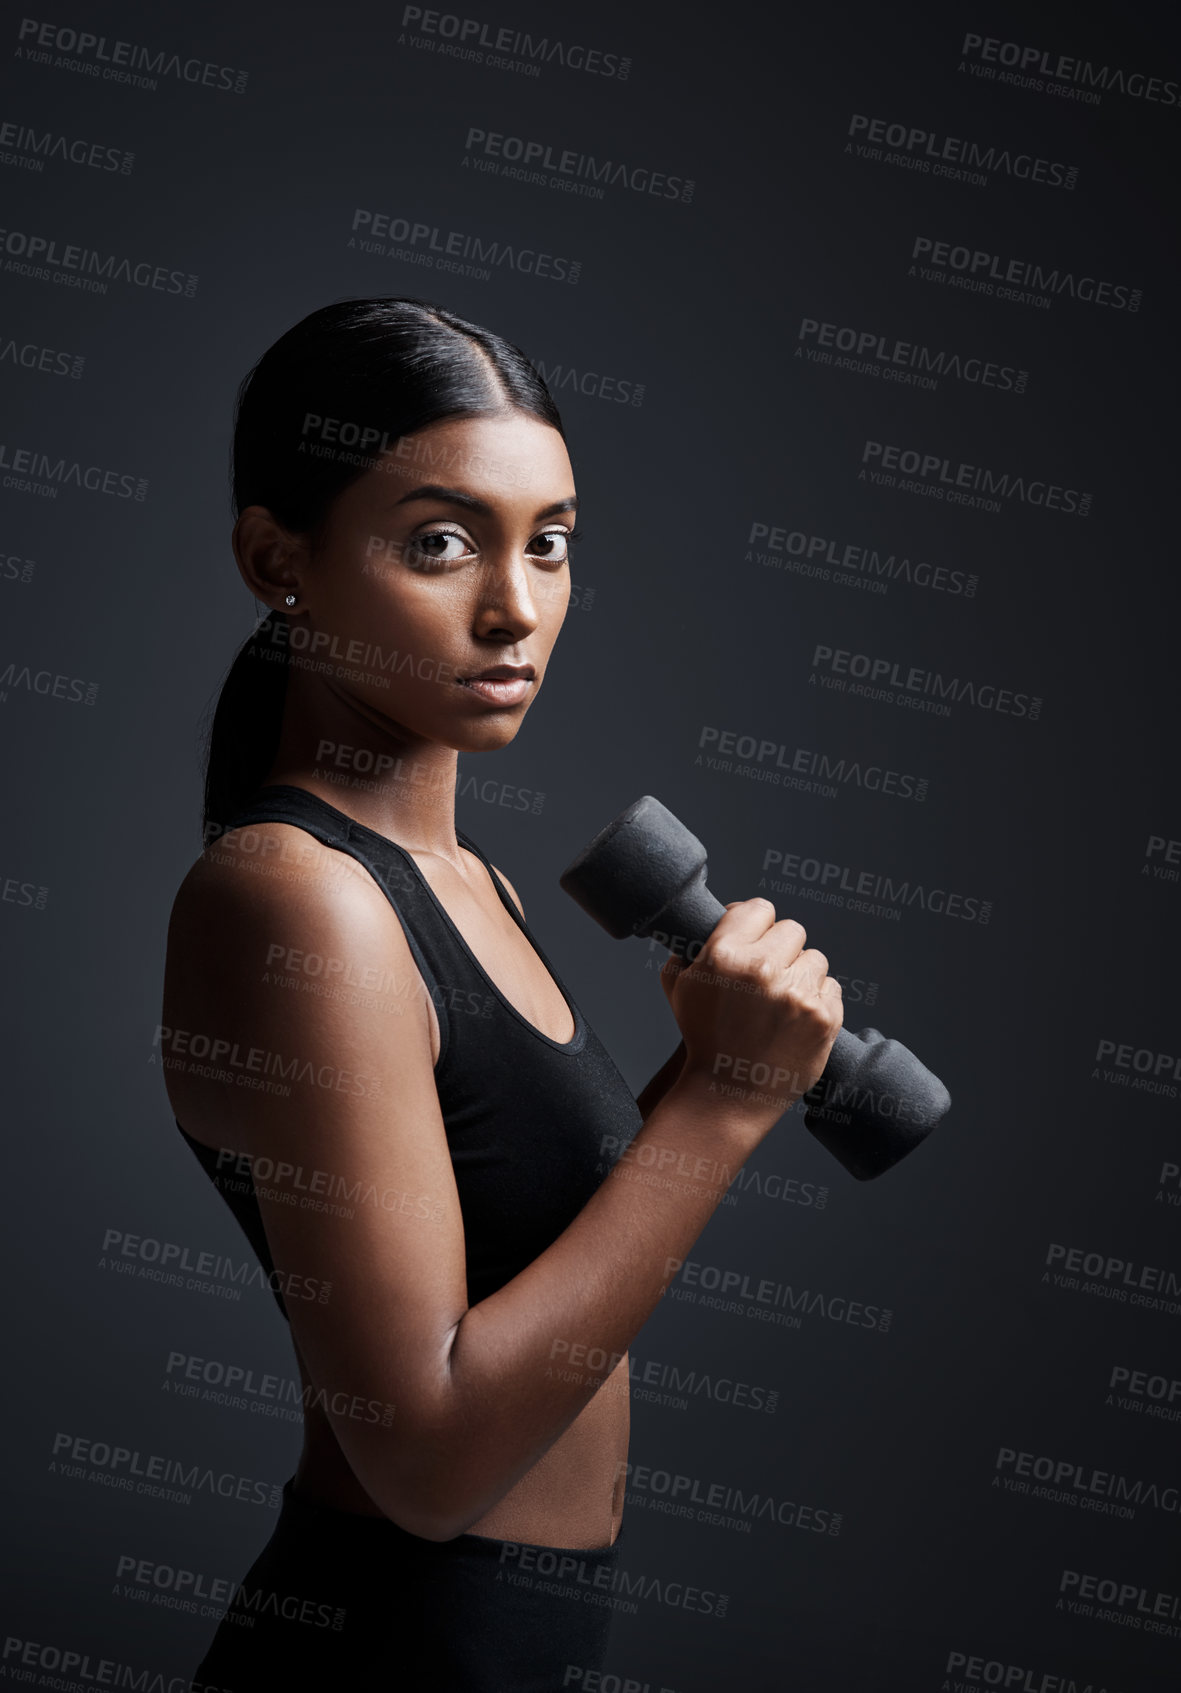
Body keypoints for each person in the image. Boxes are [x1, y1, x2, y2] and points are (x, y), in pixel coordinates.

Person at [159, 295, 844, 1688]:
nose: (514, 604)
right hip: (391, 1645)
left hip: (518, 1642)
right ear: (274, 558)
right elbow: (422, 1456)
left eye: (550, 542)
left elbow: (533, 1260)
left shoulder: (475, 887)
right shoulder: (300, 896)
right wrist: (714, 1107)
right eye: (441, 541)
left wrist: (714, 1067)